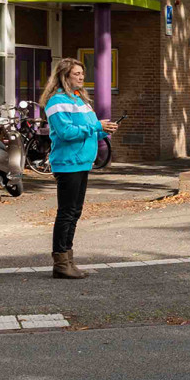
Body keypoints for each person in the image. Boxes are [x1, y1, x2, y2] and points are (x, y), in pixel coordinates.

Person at [40, 58, 119, 279]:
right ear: (64, 76)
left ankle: (68, 259)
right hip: (68, 163)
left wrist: (104, 130)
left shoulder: (81, 101)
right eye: (76, 74)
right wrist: (96, 125)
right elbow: (66, 133)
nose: (81, 77)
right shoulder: (56, 102)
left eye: (82, 73)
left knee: (75, 212)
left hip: (82, 162)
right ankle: (60, 262)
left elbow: (87, 130)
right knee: (66, 213)